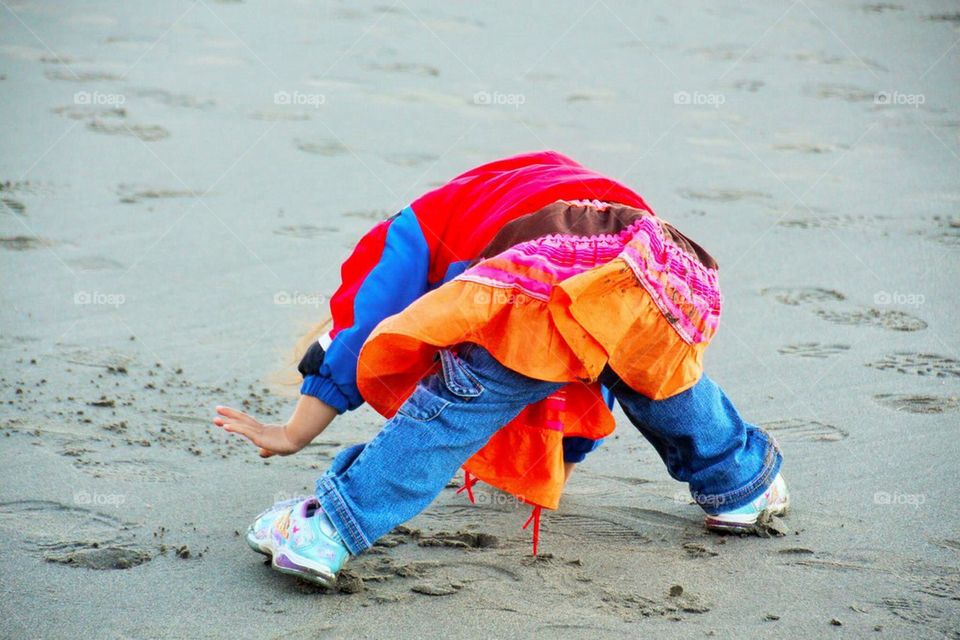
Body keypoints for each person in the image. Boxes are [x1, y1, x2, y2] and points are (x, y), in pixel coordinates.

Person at [213, 151, 788, 588]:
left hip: (542, 272)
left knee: (451, 411)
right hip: (664, 261)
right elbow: (581, 372)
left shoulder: (414, 226)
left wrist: (293, 432)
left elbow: (360, 327)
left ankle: (327, 532)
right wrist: (560, 460)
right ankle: (739, 488)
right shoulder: (532, 184)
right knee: (657, 375)